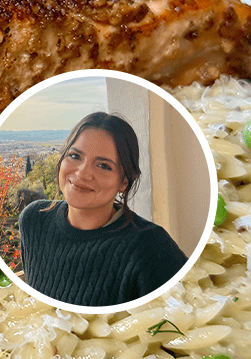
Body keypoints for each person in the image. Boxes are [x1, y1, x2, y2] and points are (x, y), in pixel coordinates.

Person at [18, 112, 187, 307]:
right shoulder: (34, 219)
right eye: (75, 156)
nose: (82, 173)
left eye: (103, 166)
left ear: (123, 182)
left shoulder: (150, 247)